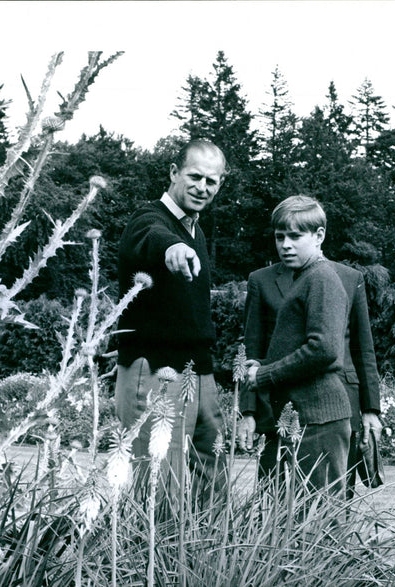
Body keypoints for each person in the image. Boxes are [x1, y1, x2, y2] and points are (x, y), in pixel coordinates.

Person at [242, 199, 382, 500]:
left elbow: (324, 349)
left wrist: (264, 374)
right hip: (303, 415)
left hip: (319, 418)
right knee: (298, 516)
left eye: (295, 236)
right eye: (280, 236)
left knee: (323, 520)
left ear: (319, 236)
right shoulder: (308, 276)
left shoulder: (321, 278)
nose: (285, 245)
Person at [115, 138, 228, 502]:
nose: (202, 188)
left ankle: (208, 554)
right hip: (154, 369)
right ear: (174, 173)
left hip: (197, 368)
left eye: (212, 181)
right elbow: (151, 236)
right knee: (161, 483)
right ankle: (153, 558)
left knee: (214, 465)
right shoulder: (148, 218)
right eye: (195, 177)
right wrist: (172, 247)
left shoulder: (197, 230)